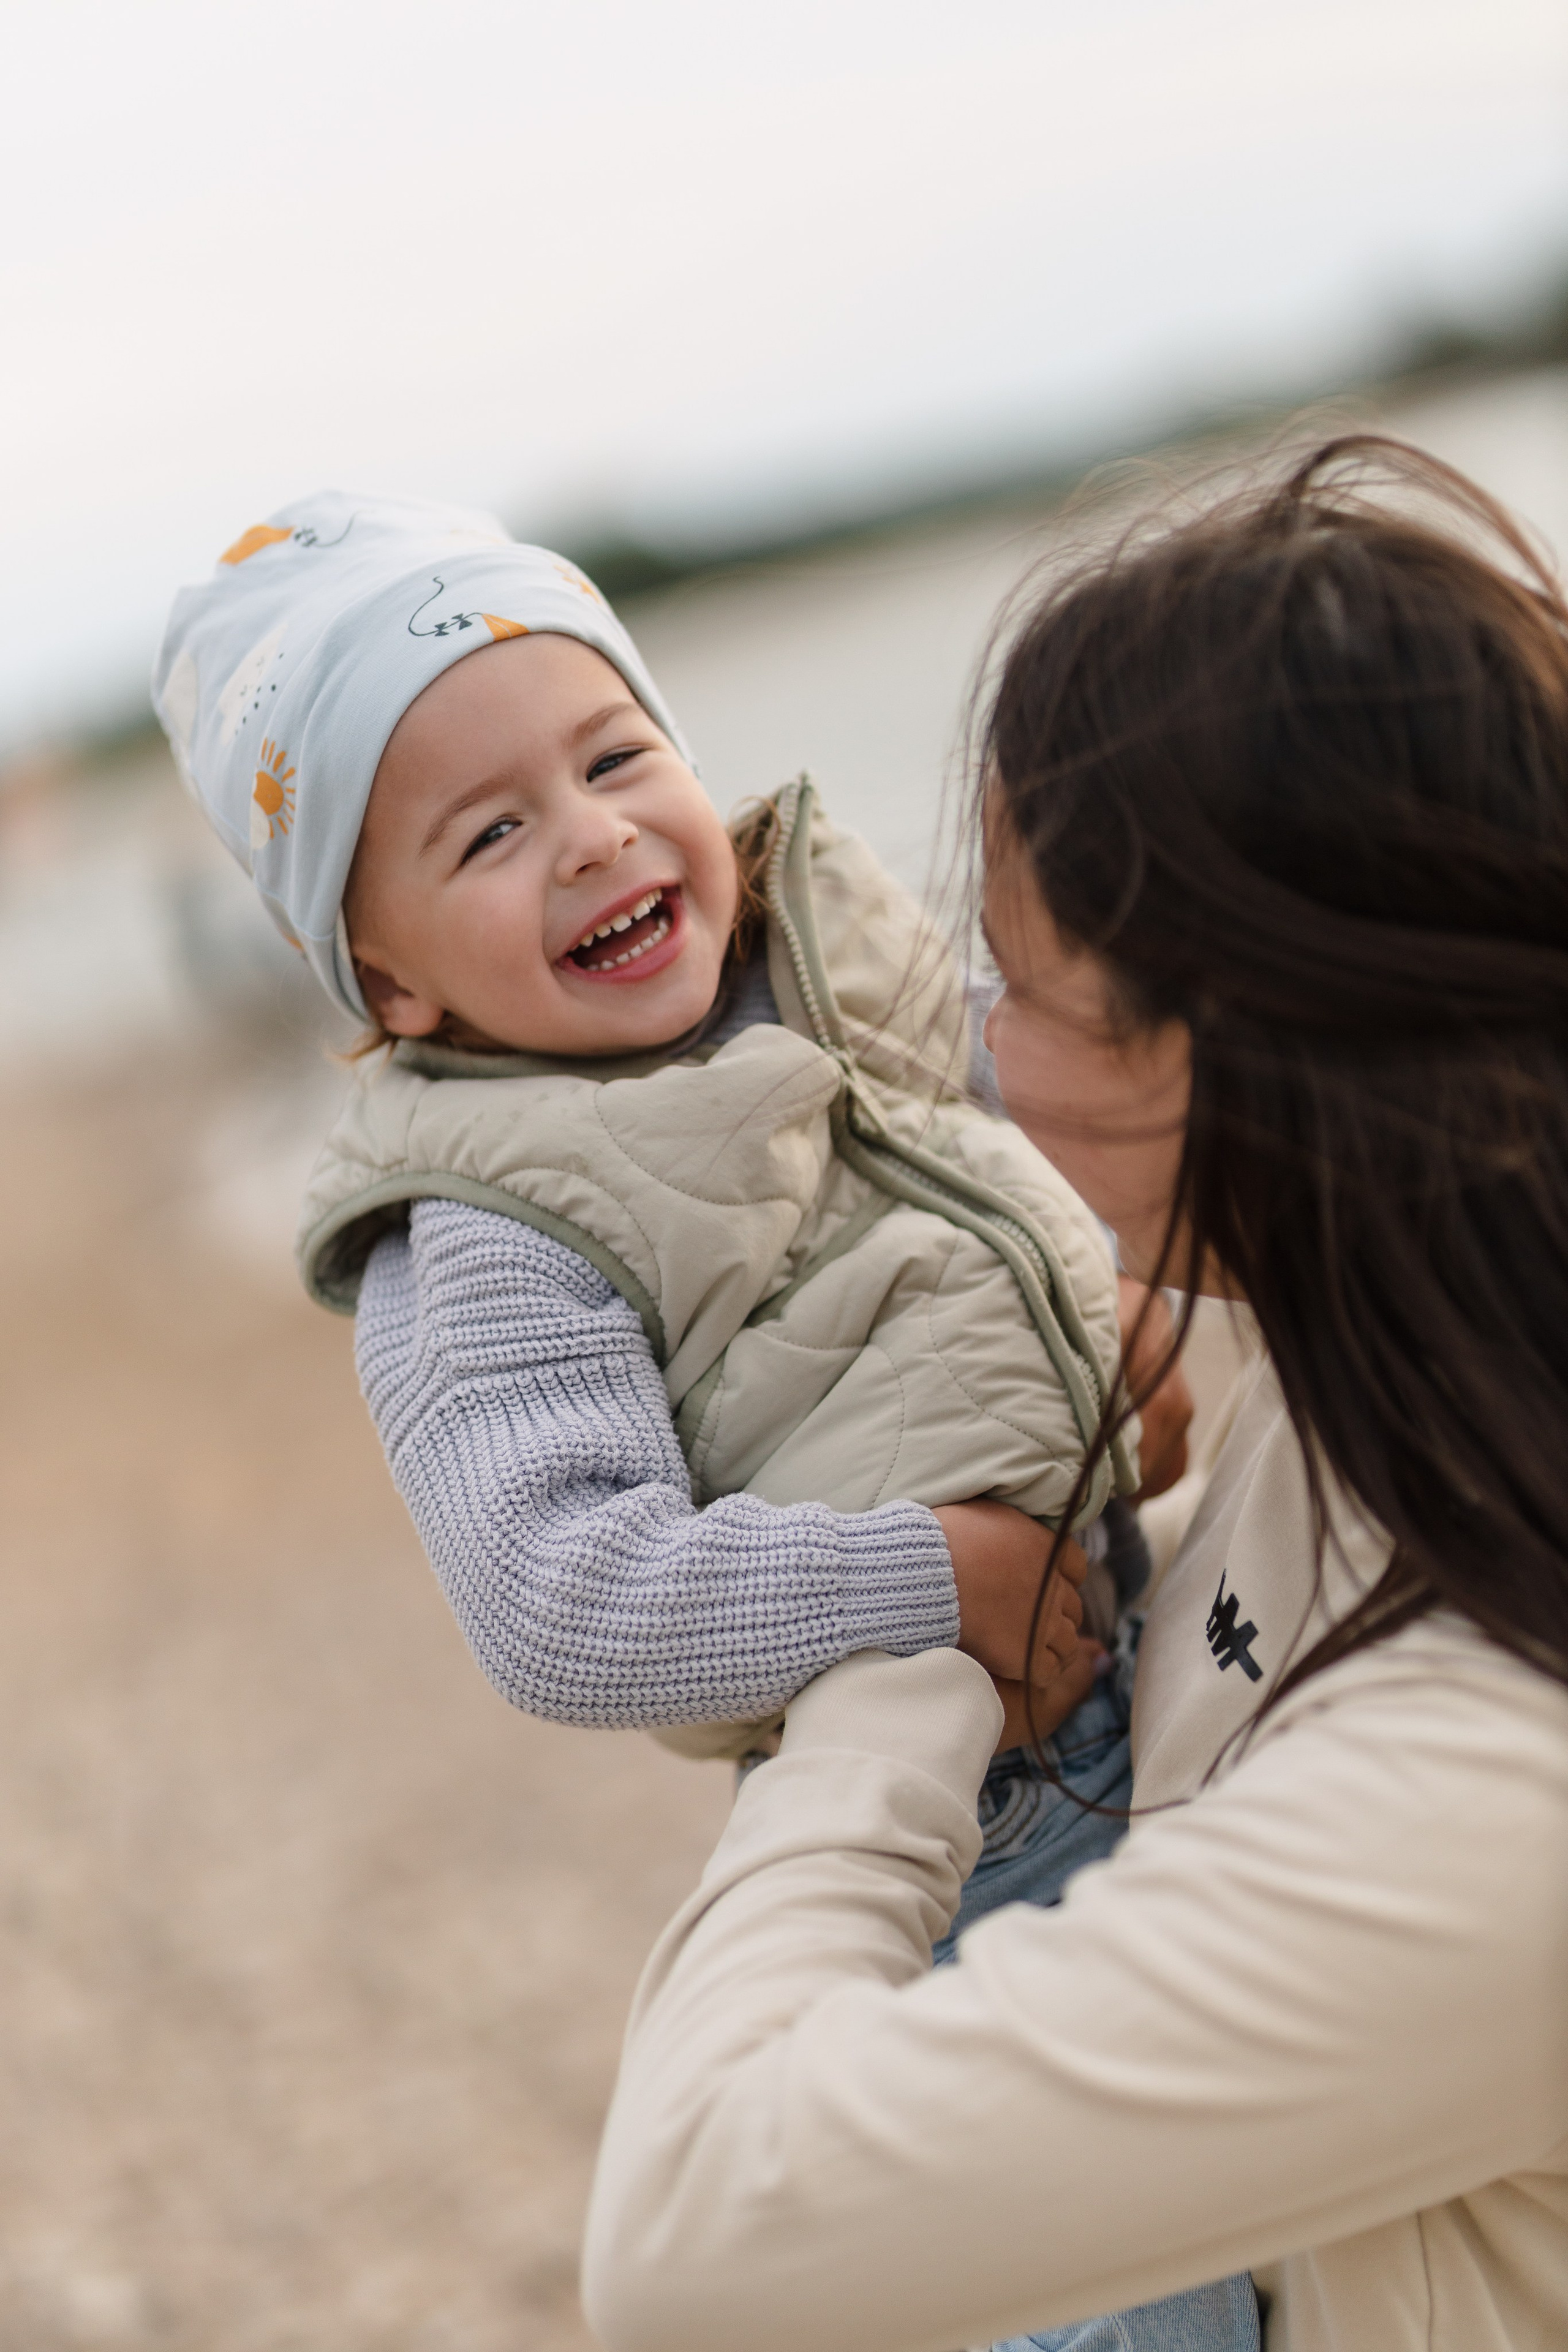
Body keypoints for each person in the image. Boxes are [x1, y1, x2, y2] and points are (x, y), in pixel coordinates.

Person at [156, 498, 1250, 2345]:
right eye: (489, 835)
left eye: (612, 756)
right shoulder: (492, 1229)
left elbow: (1030, 1154)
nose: (588, 838)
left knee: (1333, 2131)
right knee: (1147, 2259)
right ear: (393, 981)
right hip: (989, 1802)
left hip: (1167, 1646)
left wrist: (1115, 1323)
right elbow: (565, 1599)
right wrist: (937, 1577)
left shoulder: (818, 969)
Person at [581, 437, 1568, 2352]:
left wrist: (901, 1643)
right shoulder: (1404, 1368)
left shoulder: (1494, 1794)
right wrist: (1085, 1503)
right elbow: (1255, 1626)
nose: (980, 1056)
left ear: (1234, 1049)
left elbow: (691, 2241)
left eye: (1016, 985)